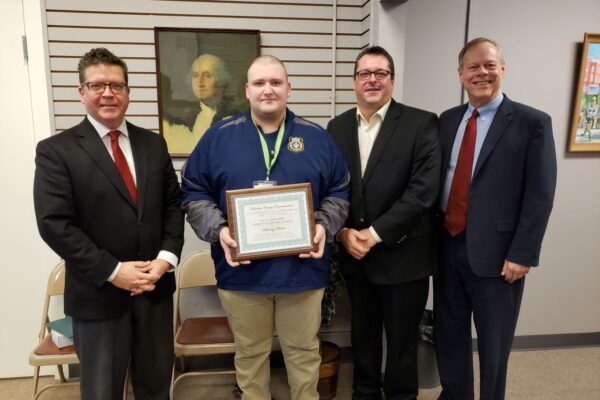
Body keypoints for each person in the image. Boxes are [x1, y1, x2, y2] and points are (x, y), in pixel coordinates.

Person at [180, 55, 350, 400]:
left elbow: (339, 192)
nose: (268, 89)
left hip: (302, 273)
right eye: (259, 83)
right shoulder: (218, 138)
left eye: (275, 82)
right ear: (247, 90)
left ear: (289, 88)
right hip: (242, 276)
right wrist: (220, 231)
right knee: (250, 357)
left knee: (304, 357)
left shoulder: (317, 138)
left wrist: (322, 227)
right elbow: (194, 193)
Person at [33, 48, 184, 400]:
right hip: (97, 295)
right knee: (102, 392)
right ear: (81, 92)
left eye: (117, 85)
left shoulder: (153, 143)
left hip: (154, 290)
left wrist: (165, 260)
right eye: (97, 85)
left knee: (155, 387)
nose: (108, 93)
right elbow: (54, 223)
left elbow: (173, 206)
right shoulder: (57, 150)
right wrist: (114, 271)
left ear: (128, 92)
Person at [434, 37, 557, 400]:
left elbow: (541, 194)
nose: (482, 73)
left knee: (493, 346)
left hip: (500, 256)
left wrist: (523, 253)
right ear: (460, 75)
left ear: (503, 69)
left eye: (490, 65)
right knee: (449, 335)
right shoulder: (448, 120)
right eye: (473, 67)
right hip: (447, 247)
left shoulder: (532, 122)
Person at [327, 46, 441, 400]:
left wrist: (374, 235)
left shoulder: (421, 123)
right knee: (362, 337)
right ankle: (364, 394)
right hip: (355, 257)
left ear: (392, 80)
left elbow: (423, 192)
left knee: (402, 342)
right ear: (354, 81)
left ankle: (401, 396)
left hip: (403, 255)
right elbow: (331, 187)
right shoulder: (337, 126)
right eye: (365, 73)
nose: (372, 80)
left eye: (381, 73)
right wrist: (343, 232)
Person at [163, 53, 240, 154]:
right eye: (195, 76)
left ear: (221, 81)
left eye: (207, 76)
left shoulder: (234, 118)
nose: (200, 83)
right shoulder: (185, 116)